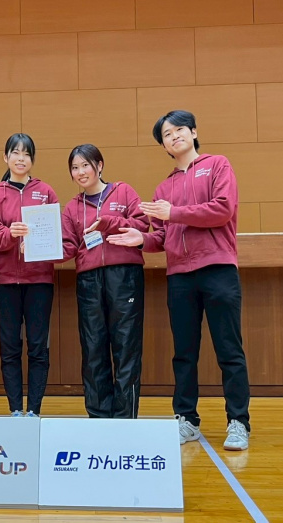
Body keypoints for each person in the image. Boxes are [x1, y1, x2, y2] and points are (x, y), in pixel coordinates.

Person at [108, 110, 251, 450]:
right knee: (184, 353)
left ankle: (238, 421)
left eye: (179, 130)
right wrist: (142, 240)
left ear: (194, 132)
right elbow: (163, 236)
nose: (174, 136)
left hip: (218, 269)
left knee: (229, 350)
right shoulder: (164, 187)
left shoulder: (218, 165)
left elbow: (222, 210)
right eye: (167, 135)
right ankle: (186, 419)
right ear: (164, 146)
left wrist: (173, 213)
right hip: (180, 277)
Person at [61, 144, 149, 419]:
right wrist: (37, 248)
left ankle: (124, 418)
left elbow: (142, 225)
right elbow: (67, 247)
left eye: (85, 165)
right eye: (74, 168)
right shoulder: (72, 207)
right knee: (93, 347)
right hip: (89, 280)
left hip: (124, 276)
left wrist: (108, 222)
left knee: (126, 345)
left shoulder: (123, 191)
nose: (80, 172)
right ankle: (98, 416)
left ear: (99, 165)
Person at [0, 133, 58, 418]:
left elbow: (53, 234)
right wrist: (10, 234)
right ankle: (15, 409)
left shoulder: (46, 192)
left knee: (38, 347)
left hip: (39, 280)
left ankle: (34, 410)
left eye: (26, 154)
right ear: (6, 157)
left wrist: (39, 243)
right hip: (5, 282)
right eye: (15, 153)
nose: (20, 158)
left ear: (32, 159)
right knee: (10, 347)